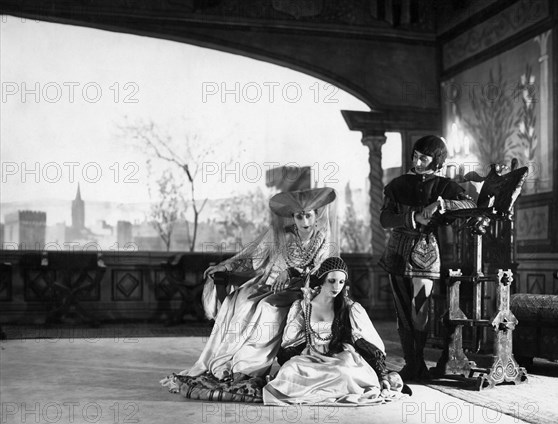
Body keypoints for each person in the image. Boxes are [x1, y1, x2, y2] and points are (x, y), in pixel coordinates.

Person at [161, 187, 339, 401]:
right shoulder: (281, 235)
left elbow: (322, 272)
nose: (304, 221)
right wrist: (226, 268)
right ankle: (225, 364)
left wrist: (291, 272)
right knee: (241, 301)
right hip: (268, 284)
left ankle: (248, 368)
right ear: (293, 217)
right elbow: (254, 257)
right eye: (299, 216)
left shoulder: (323, 239)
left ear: (316, 215)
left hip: (301, 290)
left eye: (308, 215)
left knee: (266, 309)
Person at [379, 135, 476, 381]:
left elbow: (469, 206)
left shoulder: (445, 186)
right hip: (397, 253)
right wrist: (412, 217)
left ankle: (418, 360)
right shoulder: (396, 184)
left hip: (426, 253)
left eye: (424, 157)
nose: (417, 161)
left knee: (419, 309)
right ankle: (413, 364)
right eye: (415, 155)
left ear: (437, 161)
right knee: (402, 311)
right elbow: (384, 220)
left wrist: (440, 204)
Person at [263, 256, 410, 405]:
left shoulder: (350, 308)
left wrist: (381, 373)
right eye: (331, 281)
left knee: (345, 372)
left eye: (341, 282)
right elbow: (290, 343)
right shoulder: (303, 307)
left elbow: (366, 341)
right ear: (322, 280)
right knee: (290, 370)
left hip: (340, 355)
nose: (336, 287)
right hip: (310, 356)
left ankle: (326, 387)